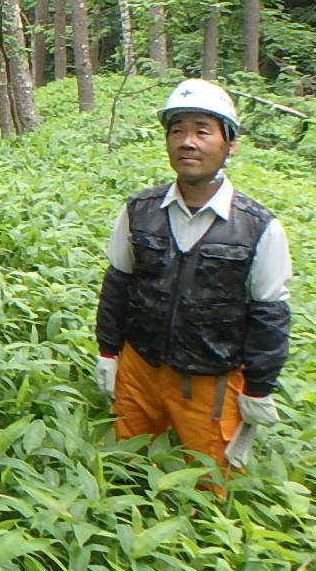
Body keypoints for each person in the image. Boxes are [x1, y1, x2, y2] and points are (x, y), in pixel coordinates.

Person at [94, 79, 291, 474]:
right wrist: (108, 353)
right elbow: (118, 284)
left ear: (229, 143)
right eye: (178, 130)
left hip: (210, 381)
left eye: (203, 131)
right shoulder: (139, 210)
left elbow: (270, 315)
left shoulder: (258, 228)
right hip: (140, 368)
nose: (188, 142)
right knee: (122, 470)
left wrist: (259, 388)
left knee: (208, 484)